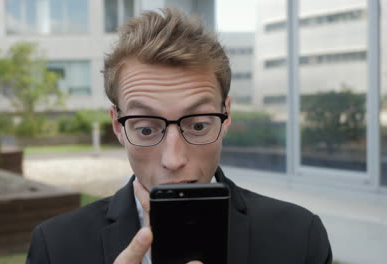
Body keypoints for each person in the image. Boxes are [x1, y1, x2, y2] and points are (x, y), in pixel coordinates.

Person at [26, 8, 332, 264]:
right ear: (118, 126)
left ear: (226, 115)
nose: (173, 160)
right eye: (146, 129)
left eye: (198, 125)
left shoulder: (299, 236)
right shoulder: (56, 247)